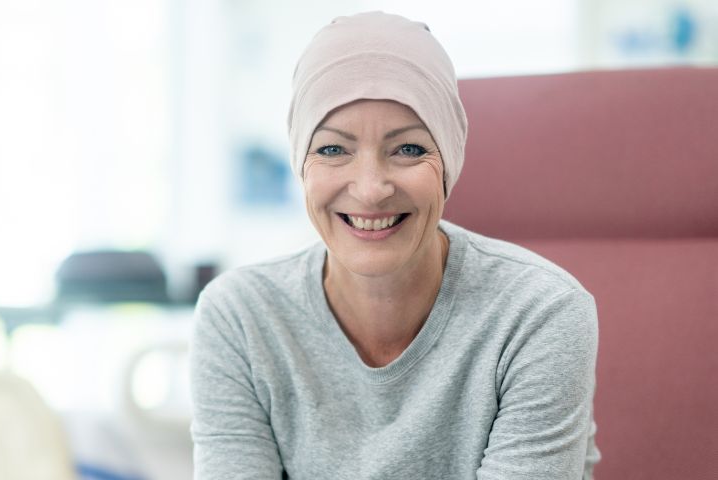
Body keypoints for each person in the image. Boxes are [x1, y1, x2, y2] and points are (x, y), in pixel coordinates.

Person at [190, 11, 600, 480]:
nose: (370, 189)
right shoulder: (239, 316)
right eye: (331, 149)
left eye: (408, 149)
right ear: (301, 164)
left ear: (449, 160)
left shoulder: (539, 313)